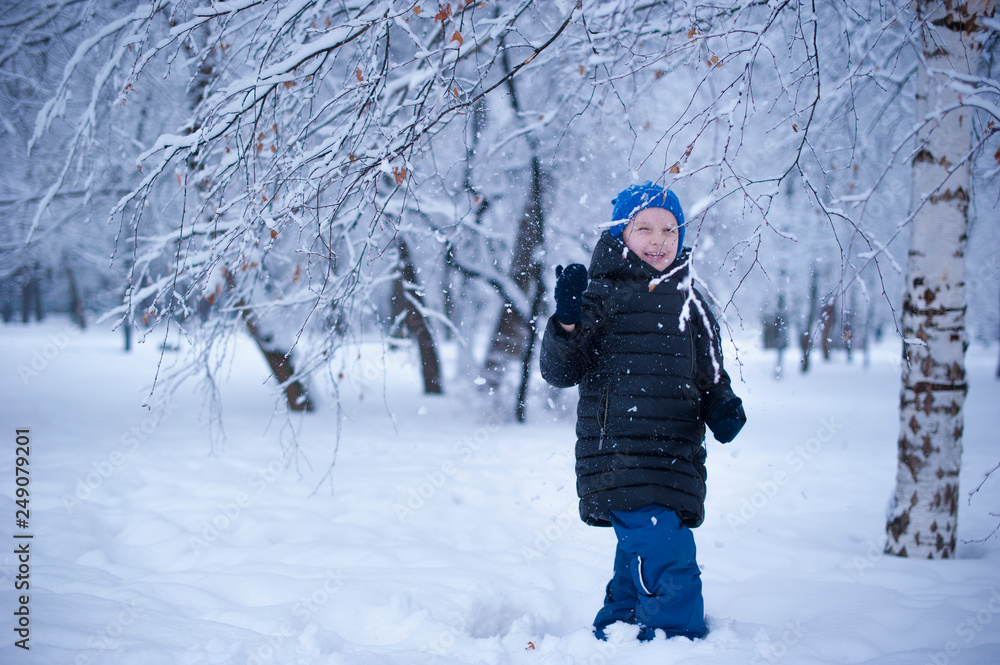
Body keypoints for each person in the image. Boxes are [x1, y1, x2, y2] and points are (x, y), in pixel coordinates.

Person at [539, 181, 746, 641]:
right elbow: (560, 370)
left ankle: (621, 627)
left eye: (669, 230)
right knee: (667, 552)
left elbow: (709, 371)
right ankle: (675, 640)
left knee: (644, 549)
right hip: (619, 453)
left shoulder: (692, 303)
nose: (658, 240)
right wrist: (568, 321)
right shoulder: (603, 296)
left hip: (675, 454)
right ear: (620, 235)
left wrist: (723, 406)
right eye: (645, 228)